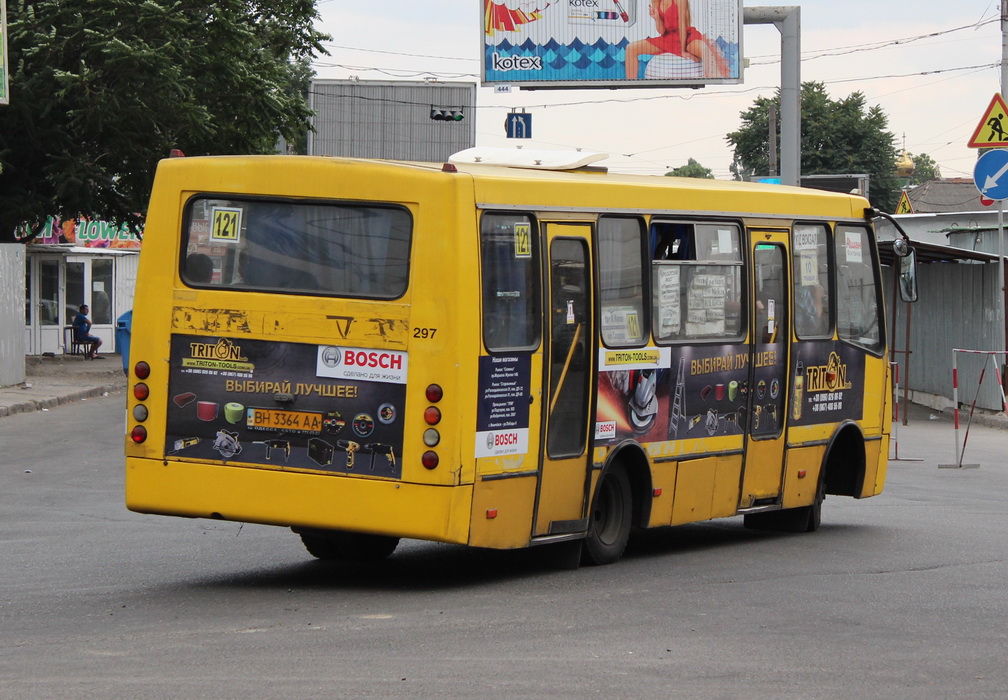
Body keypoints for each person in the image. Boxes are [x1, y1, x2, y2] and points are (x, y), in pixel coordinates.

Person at [625, 0, 729, 80]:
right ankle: (629, 83)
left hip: (686, 35)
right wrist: (656, 18)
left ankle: (714, 77)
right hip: (668, 38)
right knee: (631, 48)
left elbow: (683, 25)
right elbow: (662, 31)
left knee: (705, 51)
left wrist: (683, 50)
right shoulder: (656, 1)